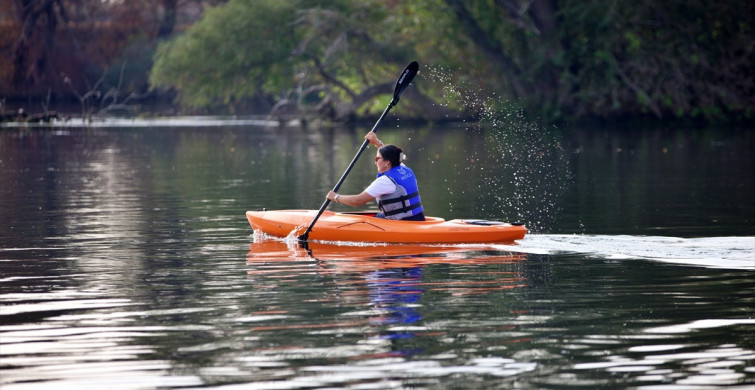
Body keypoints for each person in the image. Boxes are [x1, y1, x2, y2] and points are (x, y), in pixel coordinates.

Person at [326, 132, 426, 221]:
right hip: (418, 218)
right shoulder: (404, 169)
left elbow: (358, 201)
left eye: (377, 159)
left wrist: (335, 197)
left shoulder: (385, 181)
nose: (375, 162)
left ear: (387, 162)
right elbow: (391, 154)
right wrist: (376, 142)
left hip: (403, 223)